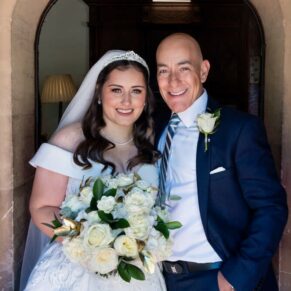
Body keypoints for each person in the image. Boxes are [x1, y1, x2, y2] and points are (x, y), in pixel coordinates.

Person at [23, 50, 166, 291]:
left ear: (146, 98)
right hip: (76, 268)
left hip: (139, 272)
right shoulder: (69, 139)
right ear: (99, 93)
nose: (126, 101)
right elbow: (40, 209)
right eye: (116, 90)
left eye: (136, 91)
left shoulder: (152, 140)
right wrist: (87, 239)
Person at [156, 33, 288, 291]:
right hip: (161, 280)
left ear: (203, 71)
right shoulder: (152, 130)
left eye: (184, 68)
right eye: (164, 71)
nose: (173, 81)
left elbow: (271, 208)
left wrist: (235, 278)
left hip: (218, 278)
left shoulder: (239, 129)